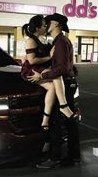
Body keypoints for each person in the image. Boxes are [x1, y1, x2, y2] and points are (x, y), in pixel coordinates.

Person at [27, 13, 81, 168]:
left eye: (48, 22)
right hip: (67, 83)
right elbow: (68, 66)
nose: (46, 24)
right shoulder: (61, 41)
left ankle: (54, 158)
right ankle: (73, 157)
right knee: (69, 122)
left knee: (56, 121)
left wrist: (44, 75)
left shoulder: (61, 42)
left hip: (63, 85)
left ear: (56, 24)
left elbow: (62, 68)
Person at [21, 15, 55, 132]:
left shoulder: (40, 39)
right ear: (37, 28)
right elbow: (32, 60)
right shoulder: (31, 40)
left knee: (54, 82)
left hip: (38, 68)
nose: (46, 27)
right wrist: (49, 57)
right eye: (44, 25)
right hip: (32, 69)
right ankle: (45, 120)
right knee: (52, 87)